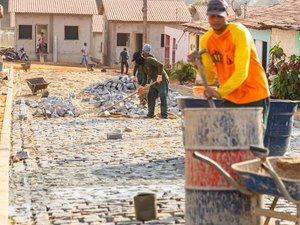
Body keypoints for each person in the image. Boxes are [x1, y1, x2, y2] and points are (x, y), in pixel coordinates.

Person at [188, 0, 270, 127]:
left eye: (219, 16)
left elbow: (241, 71)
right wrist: (195, 64)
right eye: (212, 16)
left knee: (253, 142)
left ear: (227, 15)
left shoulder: (239, 33)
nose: (216, 20)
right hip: (231, 97)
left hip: (254, 94)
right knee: (226, 140)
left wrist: (220, 92)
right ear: (208, 17)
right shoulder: (206, 40)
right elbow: (209, 77)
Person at [137, 44, 169, 119]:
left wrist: (160, 76)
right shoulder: (142, 65)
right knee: (151, 96)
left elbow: (160, 65)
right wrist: (141, 86)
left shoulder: (149, 59)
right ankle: (150, 114)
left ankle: (164, 115)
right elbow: (144, 77)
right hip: (154, 81)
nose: (146, 53)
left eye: (147, 52)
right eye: (145, 52)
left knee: (162, 96)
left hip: (162, 80)